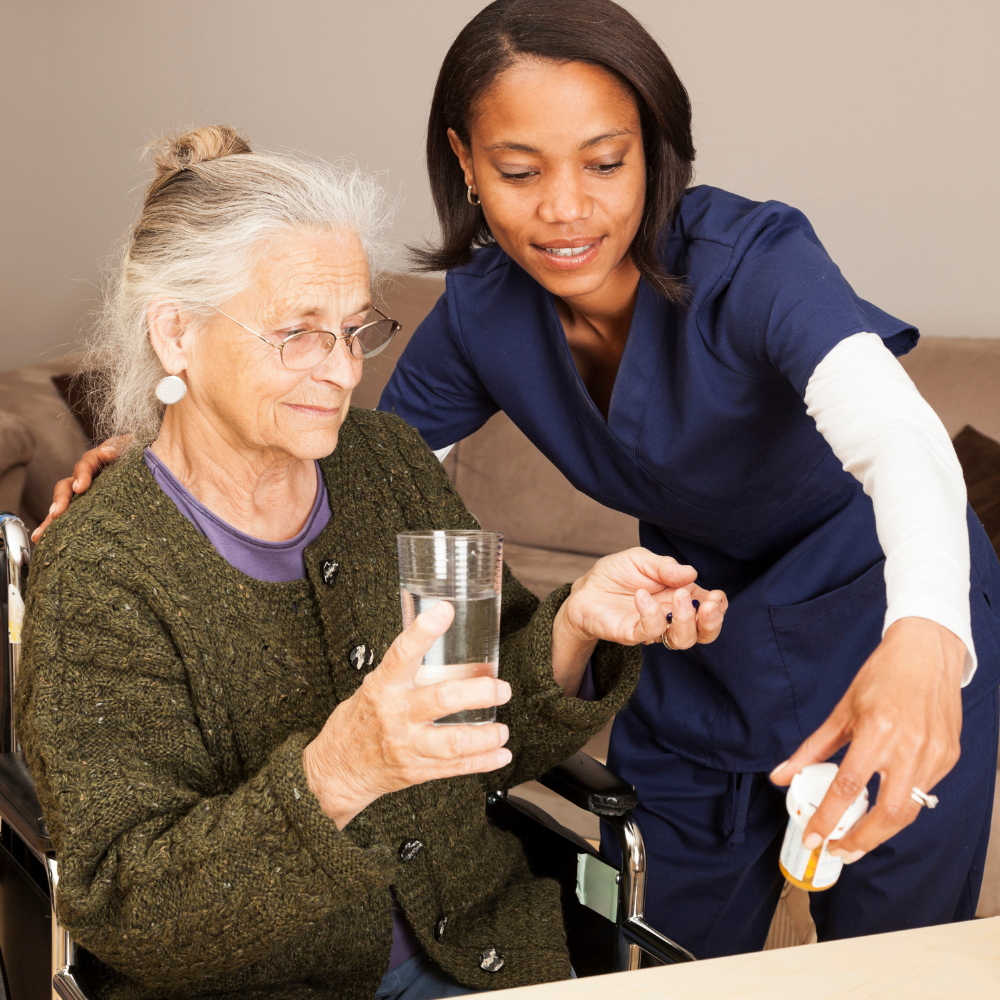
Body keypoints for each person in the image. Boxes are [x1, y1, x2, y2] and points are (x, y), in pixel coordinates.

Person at [42, 0, 1000, 958]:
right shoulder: (483, 312)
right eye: (518, 170)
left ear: (653, 148)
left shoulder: (752, 262)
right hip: (690, 637)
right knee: (658, 954)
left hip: (884, 618)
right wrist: (174, 449)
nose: (566, 209)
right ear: (465, 163)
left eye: (605, 162)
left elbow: (900, 440)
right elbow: (353, 460)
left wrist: (926, 638)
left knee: (893, 962)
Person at [17, 125, 727, 1000]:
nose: (344, 370)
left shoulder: (385, 464)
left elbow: (482, 737)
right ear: (176, 334)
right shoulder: (101, 572)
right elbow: (128, 907)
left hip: (483, 949)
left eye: (355, 329)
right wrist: (337, 773)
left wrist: (575, 624)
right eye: (299, 333)